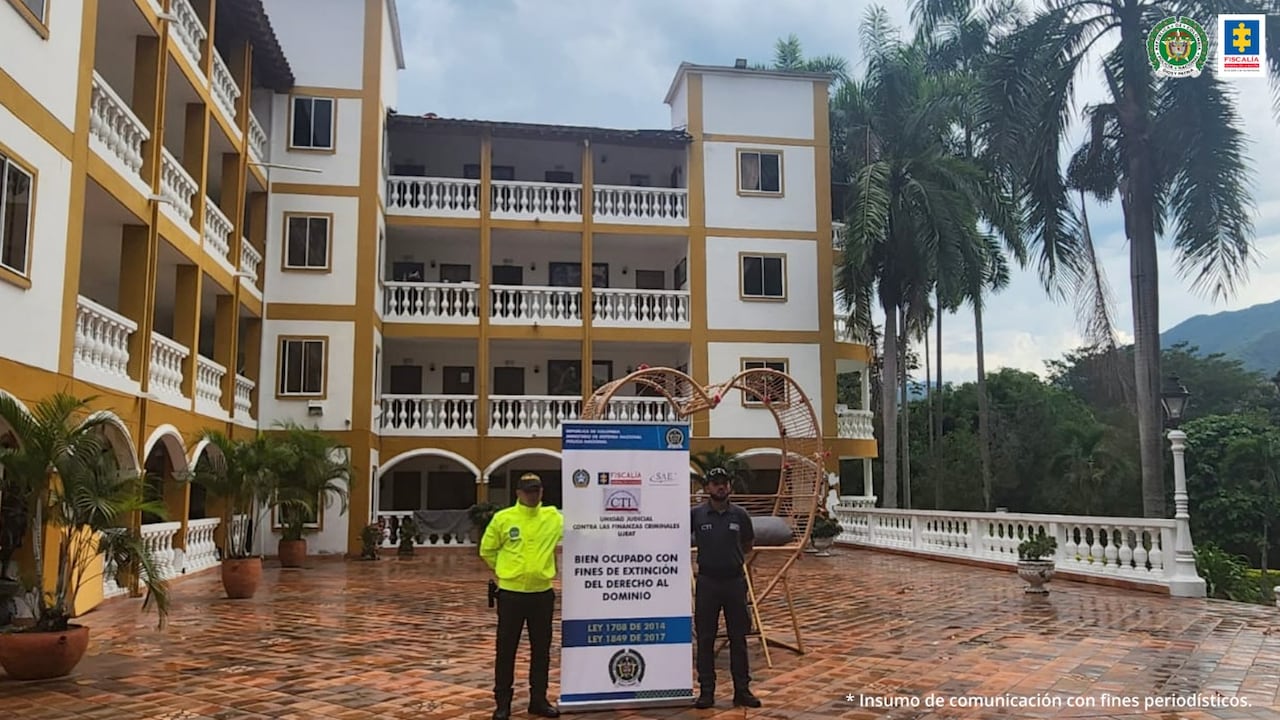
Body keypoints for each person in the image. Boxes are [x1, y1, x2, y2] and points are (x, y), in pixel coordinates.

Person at [480, 472, 564, 720]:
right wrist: (507, 571)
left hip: (542, 594)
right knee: (506, 650)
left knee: (542, 650)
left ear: (542, 492)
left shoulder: (553, 517)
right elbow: (487, 549)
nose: (533, 495)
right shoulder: (503, 519)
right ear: (518, 493)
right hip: (511, 595)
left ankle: (538, 699)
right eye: (528, 490)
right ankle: (502, 703)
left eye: (536, 490)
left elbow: (583, 528)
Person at [690, 467, 760, 709]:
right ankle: (707, 691)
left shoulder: (740, 515)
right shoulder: (696, 515)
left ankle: (742, 690)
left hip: (734, 582)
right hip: (707, 583)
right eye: (715, 483)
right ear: (708, 487)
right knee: (706, 638)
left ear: (729, 486)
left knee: (738, 638)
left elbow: (748, 544)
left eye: (724, 483)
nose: (720, 487)